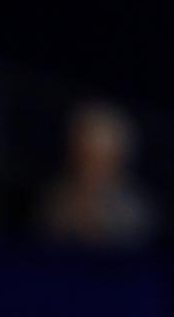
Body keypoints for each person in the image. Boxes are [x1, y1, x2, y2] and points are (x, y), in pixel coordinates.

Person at [38, 102, 156, 249]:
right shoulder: (55, 199)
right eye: (84, 154)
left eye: (101, 157)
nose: (91, 165)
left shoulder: (135, 208)